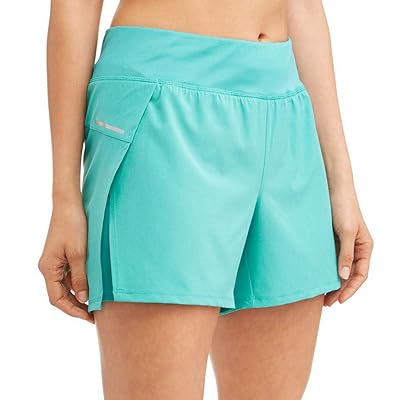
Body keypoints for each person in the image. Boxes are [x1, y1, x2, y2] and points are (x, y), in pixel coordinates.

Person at [39, 0, 373, 399]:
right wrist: (64, 199)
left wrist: (341, 183)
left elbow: (304, 6)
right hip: (162, 102)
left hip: (287, 107)